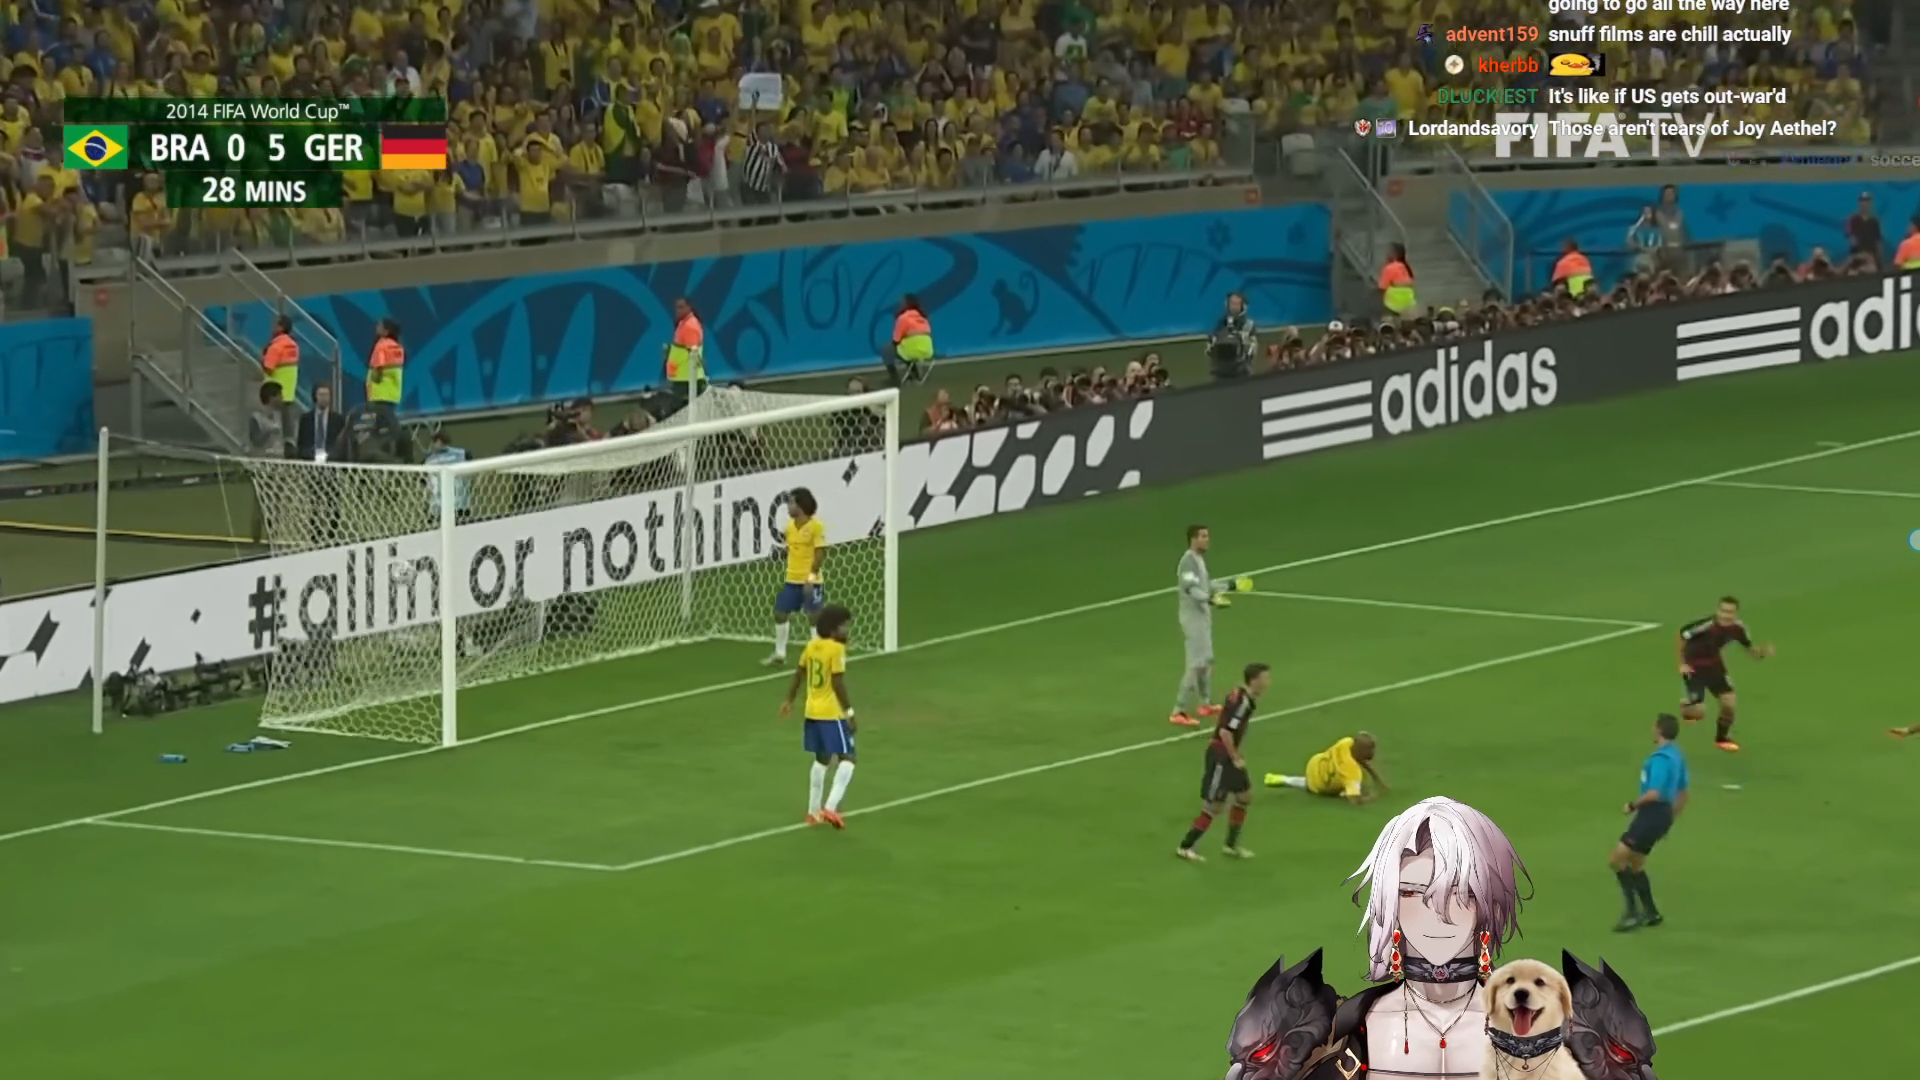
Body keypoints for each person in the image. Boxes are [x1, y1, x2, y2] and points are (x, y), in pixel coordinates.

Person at [1175, 661, 1270, 862]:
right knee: (1215, 806)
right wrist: (1235, 757)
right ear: (1254, 681)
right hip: (1221, 755)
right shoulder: (1242, 702)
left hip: (1228, 753)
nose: (1267, 683)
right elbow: (1226, 731)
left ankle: (1230, 845)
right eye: (1265, 679)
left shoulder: (1241, 695)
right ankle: (1186, 846)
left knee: (1244, 795)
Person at [779, 603, 857, 828]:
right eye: (844, 626)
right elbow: (837, 682)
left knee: (822, 759)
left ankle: (813, 812)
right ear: (833, 628)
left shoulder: (811, 646)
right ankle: (830, 807)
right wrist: (849, 712)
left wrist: (789, 700)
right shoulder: (836, 650)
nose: (846, 630)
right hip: (831, 713)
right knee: (848, 758)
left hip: (812, 711)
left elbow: (799, 674)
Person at [1612, 713, 1688, 932]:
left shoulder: (1660, 759)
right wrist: (1669, 820)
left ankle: (1632, 913)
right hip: (1662, 815)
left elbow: (1654, 793)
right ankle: (1651, 912)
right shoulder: (1677, 757)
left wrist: (1633, 805)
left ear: (1659, 730)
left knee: (1617, 858)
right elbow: (1683, 793)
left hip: (1651, 813)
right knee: (1636, 864)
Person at [1677, 595, 1774, 752]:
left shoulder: (1738, 629)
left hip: (1715, 667)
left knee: (1729, 704)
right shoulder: (1706, 625)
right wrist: (1682, 663)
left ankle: (1721, 739)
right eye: (1723, 611)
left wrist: (1762, 652)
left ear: (1735, 613)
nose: (1725, 615)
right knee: (1698, 713)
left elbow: (1751, 651)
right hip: (1694, 667)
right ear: (1718, 610)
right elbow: (1682, 636)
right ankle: (1687, 707)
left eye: (1730, 612)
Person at [1171, 524, 1239, 727]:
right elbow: (1191, 589)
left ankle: (1205, 703)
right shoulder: (1187, 562)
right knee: (1195, 663)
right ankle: (1178, 710)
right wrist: (1210, 599)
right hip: (1193, 619)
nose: (1207, 539)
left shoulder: (1199, 560)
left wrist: (1231, 585)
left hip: (1202, 617)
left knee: (1206, 661)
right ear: (1193, 539)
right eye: (1203, 536)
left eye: (1207, 536)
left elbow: (1206, 585)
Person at [763, 487, 827, 667]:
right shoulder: (790, 527)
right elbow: (792, 550)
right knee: (780, 612)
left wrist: (811, 578)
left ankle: (818, 653)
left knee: (814, 616)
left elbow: (820, 553)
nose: (788, 507)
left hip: (811, 581)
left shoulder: (816, 526)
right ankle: (780, 653)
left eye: (791, 503)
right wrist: (779, 554)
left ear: (800, 505)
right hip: (791, 579)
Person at [1263, 732, 1389, 805]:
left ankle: (1279, 779)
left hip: (1314, 763)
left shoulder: (1346, 742)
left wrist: (1379, 780)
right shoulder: (1352, 772)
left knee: (1348, 781)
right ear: (1360, 750)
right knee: (1356, 788)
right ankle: (1284, 780)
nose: (1372, 753)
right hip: (1320, 786)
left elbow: (1361, 760)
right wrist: (1373, 797)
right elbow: (1354, 800)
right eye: (1369, 750)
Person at [885, 294, 935, 387]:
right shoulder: (924, 318)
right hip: (928, 352)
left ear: (905, 305)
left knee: (887, 351)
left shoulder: (902, 318)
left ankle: (894, 379)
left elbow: (896, 339)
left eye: (901, 303)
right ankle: (913, 375)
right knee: (906, 349)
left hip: (910, 352)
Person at [1206, 292, 1257, 380]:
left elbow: (1253, 348)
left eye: (1236, 304)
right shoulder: (1220, 323)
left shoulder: (1249, 325)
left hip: (1242, 371)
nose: (1233, 307)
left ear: (1243, 306)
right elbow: (1210, 344)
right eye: (1232, 303)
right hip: (1220, 371)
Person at [261, 315, 300, 406]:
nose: (272, 327)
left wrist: (262, 358)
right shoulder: (294, 346)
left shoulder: (276, 346)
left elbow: (268, 368)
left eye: (275, 325)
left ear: (281, 328)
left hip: (274, 395)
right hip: (289, 394)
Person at [1378, 243, 1416, 317]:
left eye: (1389, 252)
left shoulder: (1389, 268)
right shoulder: (1405, 267)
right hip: (1408, 300)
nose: (1386, 254)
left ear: (1394, 254)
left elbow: (1382, 287)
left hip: (1394, 301)